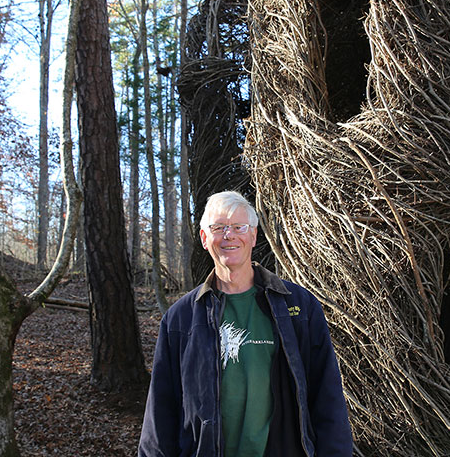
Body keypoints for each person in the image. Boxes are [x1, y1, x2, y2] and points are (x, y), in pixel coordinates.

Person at [138, 190, 353, 457]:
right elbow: (161, 411)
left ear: (253, 235)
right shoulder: (181, 318)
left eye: (239, 227)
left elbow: (327, 396)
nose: (229, 236)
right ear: (205, 239)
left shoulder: (298, 307)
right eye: (218, 228)